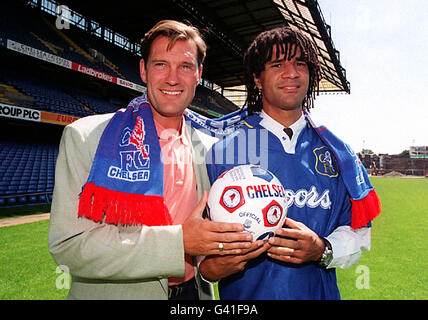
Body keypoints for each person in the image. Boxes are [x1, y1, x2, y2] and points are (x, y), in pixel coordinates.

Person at [48, 20, 252, 300]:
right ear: (143, 70)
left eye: (185, 66)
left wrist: (212, 265)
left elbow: (204, 238)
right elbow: (70, 247)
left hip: (194, 295)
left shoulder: (210, 148)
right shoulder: (86, 138)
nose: (172, 78)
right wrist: (177, 243)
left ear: (198, 74)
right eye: (161, 64)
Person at [199, 26, 380, 299]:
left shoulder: (338, 152)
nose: (291, 73)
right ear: (257, 79)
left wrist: (322, 249)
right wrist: (211, 267)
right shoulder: (223, 150)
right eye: (277, 64)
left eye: (300, 64)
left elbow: (359, 236)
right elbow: (200, 248)